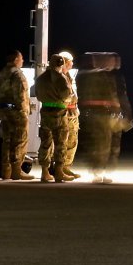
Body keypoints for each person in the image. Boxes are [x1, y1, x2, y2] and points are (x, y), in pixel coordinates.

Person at [76, 52, 133, 183]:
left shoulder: (111, 76)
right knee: (101, 145)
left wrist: (126, 114)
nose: (116, 63)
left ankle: (104, 171)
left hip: (111, 115)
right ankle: (98, 172)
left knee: (111, 145)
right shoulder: (93, 76)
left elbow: (122, 96)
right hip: (101, 115)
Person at [0, 49, 34, 180]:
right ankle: (17, 170)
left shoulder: (1, 74)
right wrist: (24, 112)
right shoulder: (17, 75)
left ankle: (6, 171)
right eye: (21, 58)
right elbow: (21, 96)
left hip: (4, 111)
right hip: (17, 111)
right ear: (16, 59)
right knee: (20, 140)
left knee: (7, 141)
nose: (22, 60)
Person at [34, 53, 73, 182]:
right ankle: (59, 172)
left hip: (45, 111)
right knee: (60, 143)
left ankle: (45, 173)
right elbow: (68, 95)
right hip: (59, 113)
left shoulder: (41, 78)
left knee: (45, 143)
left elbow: (38, 95)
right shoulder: (61, 78)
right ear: (61, 64)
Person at [56, 50, 82, 180]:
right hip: (64, 113)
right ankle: (59, 169)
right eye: (70, 61)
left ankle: (66, 167)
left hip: (72, 113)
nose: (72, 64)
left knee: (72, 141)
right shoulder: (58, 77)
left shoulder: (70, 76)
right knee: (62, 142)